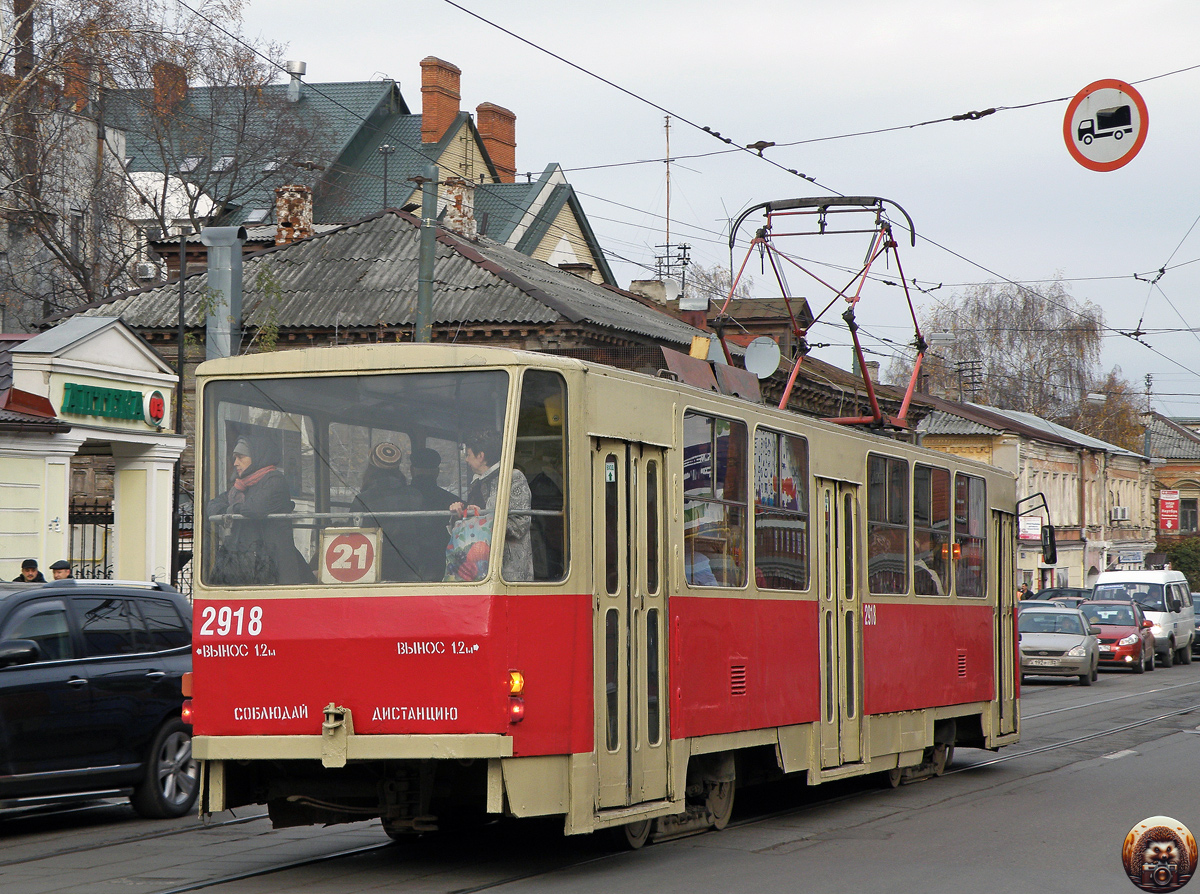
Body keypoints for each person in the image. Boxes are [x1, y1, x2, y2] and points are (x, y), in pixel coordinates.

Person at [206, 435, 315, 586]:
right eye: (234, 458)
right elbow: (212, 506)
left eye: (241, 457)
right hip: (246, 563)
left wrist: (230, 509)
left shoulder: (275, 480)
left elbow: (254, 508)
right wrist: (233, 509)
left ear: (257, 456)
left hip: (275, 564)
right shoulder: (241, 486)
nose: (236, 463)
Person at [449, 430, 534, 581]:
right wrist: (460, 514)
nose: (466, 460)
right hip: (477, 569)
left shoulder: (513, 477)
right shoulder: (477, 483)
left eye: (468, 455)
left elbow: (520, 524)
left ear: (481, 456)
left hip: (507, 572)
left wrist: (482, 518)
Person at [351, 442, 422, 581]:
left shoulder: (363, 499)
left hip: (373, 568)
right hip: (410, 566)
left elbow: (354, 536)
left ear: (371, 467)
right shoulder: (415, 495)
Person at [408, 447, 459, 581]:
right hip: (439, 561)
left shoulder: (397, 499)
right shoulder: (453, 501)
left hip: (404, 560)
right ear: (437, 472)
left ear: (411, 470)